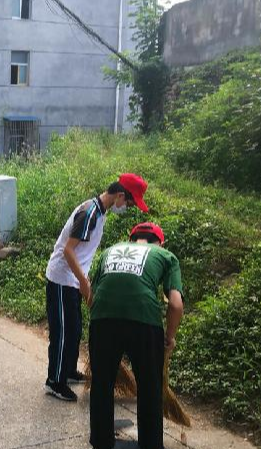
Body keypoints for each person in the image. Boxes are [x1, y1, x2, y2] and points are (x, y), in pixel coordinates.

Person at [44, 173, 149, 402]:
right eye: (129, 203)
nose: (128, 207)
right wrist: (83, 281)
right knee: (63, 332)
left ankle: (68, 370)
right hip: (62, 278)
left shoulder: (100, 212)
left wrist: (84, 280)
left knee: (74, 328)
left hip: (73, 278)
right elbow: (68, 250)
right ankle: (55, 381)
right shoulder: (90, 213)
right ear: (120, 195)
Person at [88, 222, 184, 449]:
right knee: (150, 387)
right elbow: (176, 305)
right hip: (144, 321)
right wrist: (169, 337)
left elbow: (91, 294)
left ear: (132, 240)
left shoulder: (109, 251)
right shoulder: (166, 256)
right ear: (159, 242)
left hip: (102, 319)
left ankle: (101, 441)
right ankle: (150, 444)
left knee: (102, 383)